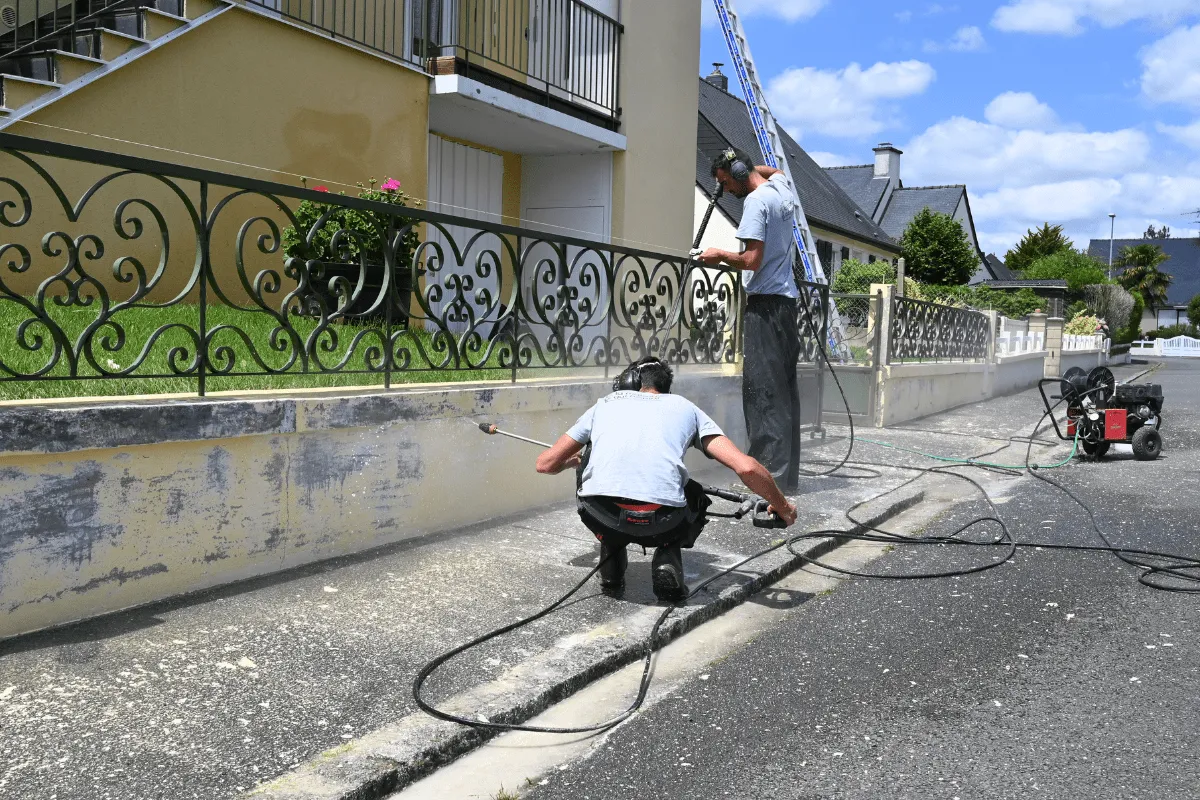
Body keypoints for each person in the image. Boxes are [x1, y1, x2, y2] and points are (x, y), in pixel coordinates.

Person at [535, 356, 798, 601]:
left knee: (589, 479)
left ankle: (611, 556)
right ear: (665, 388)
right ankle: (667, 553)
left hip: (602, 514)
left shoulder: (604, 405)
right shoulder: (686, 408)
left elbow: (545, 464)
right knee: (694, 494)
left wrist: (572, 463)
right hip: (662, 520)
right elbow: (747, 468)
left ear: (630, 382)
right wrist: (783, 508)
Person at [695, 147, 803, 491]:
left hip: (765, 306)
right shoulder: (781, 189)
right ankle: (784, 479)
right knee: (783, 394)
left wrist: (718, 255)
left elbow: (752, 260)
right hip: (786, 306)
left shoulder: (756, 202)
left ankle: (765, 482)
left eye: (727, 183)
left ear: (740, 174)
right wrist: (739, 167)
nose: (726, 190)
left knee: (763, 396)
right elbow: (773, 171)